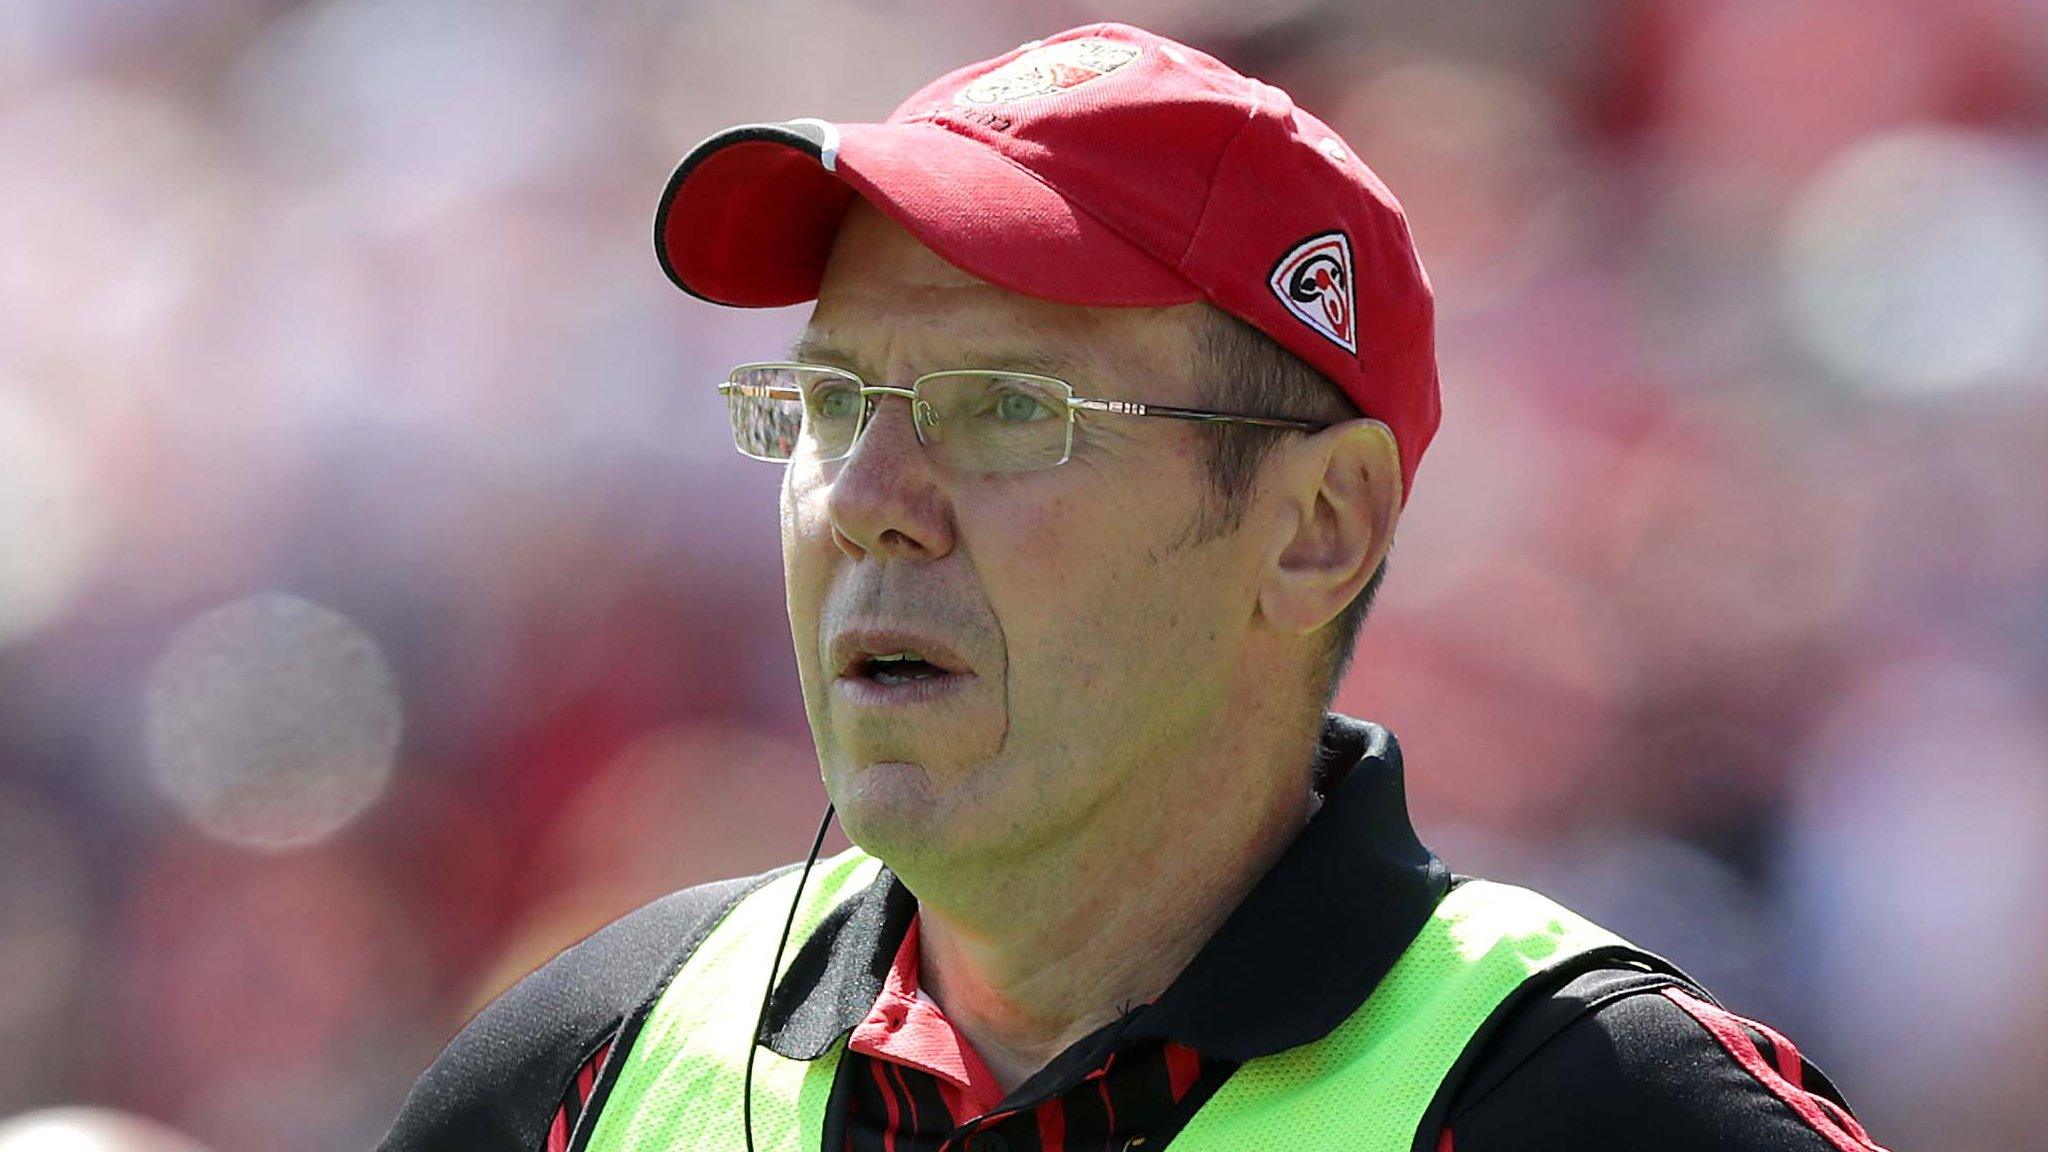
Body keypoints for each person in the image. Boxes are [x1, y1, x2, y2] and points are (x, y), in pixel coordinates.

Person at [382, 22, 1887, 1152]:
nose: (871, 504)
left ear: (1318, 527)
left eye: (1006, 409)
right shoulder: (594, 1065)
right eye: (833, 404)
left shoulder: (1602, 1113)